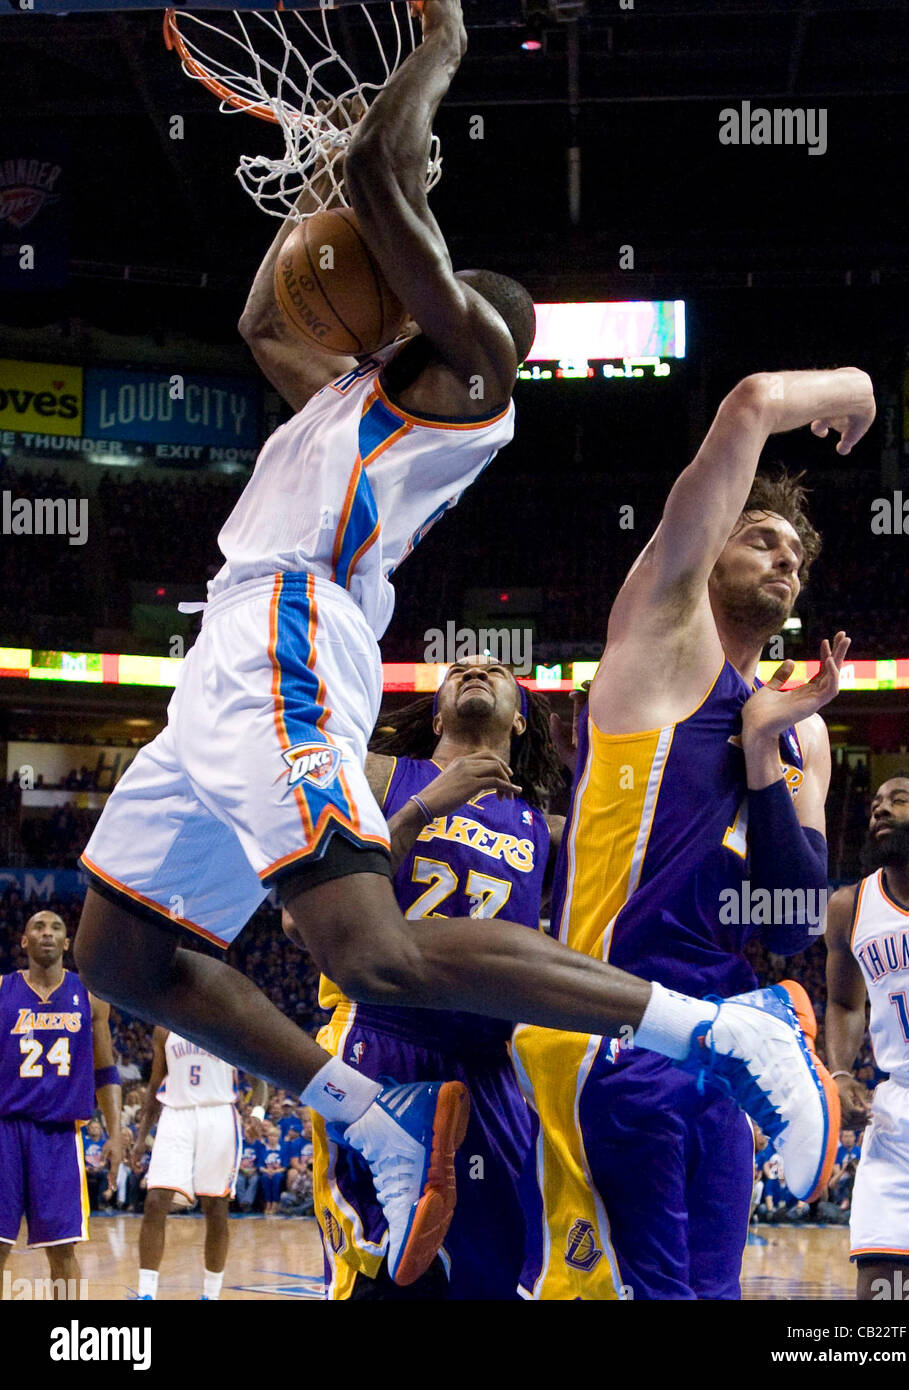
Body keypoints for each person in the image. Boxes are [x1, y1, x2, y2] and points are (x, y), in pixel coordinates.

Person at [72, 0, 838, 1287]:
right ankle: (366, 1119)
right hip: (227, 656)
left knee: (372, 951)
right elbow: (270, 317)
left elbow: (386, 179)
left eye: (408, 276)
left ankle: (717, 1035)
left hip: (290, 638)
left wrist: (435, 45)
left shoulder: (474, 375)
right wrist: (322, 178)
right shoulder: (346, 397)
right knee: (121, 953)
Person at [513, 366, 875, 1300]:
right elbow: (753, 401)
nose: (787, 561)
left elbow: (794, 925)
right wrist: (857, 387)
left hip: (724, 1047)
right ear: (709, 552)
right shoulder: (666, 637)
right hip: (605, 1029)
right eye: (761, 539)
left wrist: (762, 754)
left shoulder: (804, 728)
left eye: (798, 554)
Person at [309, 655, 564, 1300]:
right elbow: (309, 915)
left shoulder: (552, 832)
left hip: (492, 1067)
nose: (476, 668)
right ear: (435, 711)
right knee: (390, 1278)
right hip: (383, 1039)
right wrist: (422, 809)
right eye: (459, 668)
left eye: (498, 669)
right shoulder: (378, 773)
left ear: (524, 719)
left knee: (496, 1280)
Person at [825, 774, 909, 1300]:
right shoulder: (848, 907)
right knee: (879, 1283)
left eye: (899, 801)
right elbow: (843, 1002)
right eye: (875, 803)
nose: (880, 810)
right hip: (898, 1103)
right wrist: (838, 1073)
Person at [0, 911, 121, 1298]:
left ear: (67, 943)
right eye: (37, 926)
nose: (47, 933)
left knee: (62, 1247)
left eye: (55, 928)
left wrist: (116, 1134)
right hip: (5, 1130)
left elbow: (106, 1070)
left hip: (59, 1135)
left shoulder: (90, 996)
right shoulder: (2, 989)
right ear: (24, 941)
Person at [131, 1026, 266, 1300]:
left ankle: (211, 1294)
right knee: (155, 1201)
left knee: (215, 1207)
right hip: (175, 1114)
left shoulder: (227, 1020)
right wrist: (141, 1137)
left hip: (218, 1114)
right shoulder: (163, 1028)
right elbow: (156, 1083)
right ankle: (146, 1293)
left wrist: (258, 1114)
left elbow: (259, 1079)